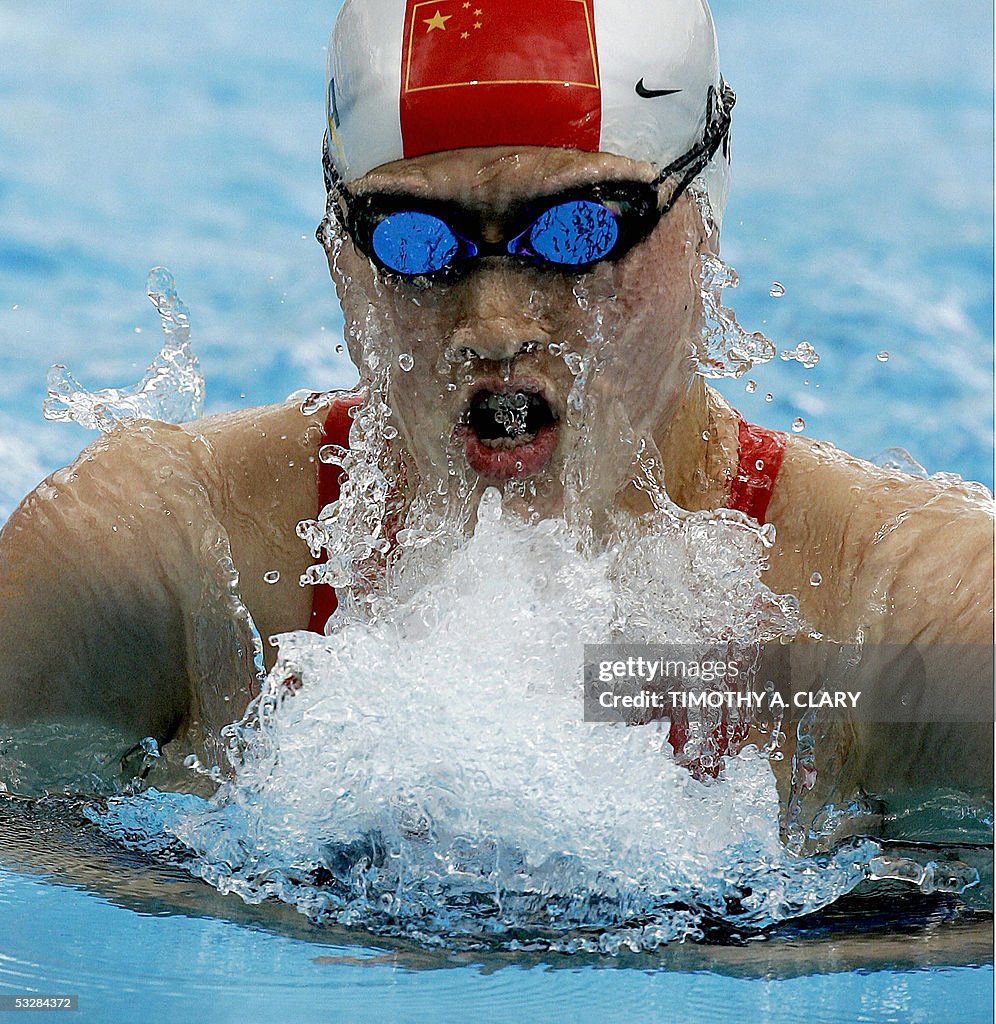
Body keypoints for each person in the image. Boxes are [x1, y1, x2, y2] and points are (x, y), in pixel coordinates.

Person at [0, 0, 991, 816]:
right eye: (417, 243)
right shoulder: (163, 564)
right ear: (340, 250)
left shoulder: (905, 620)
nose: (495, 321)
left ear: (705, 221)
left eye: (579, 230)